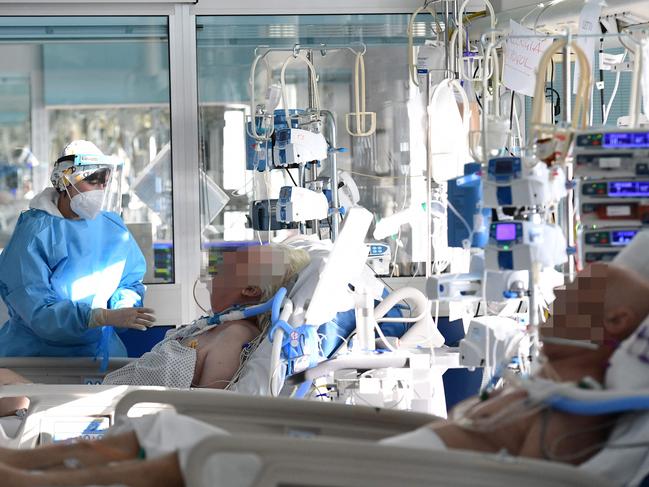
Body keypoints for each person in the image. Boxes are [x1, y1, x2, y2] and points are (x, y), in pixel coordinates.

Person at [0, 260, 648, 486]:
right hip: (403, 460)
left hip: (404, 473)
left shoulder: (579, 407)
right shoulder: (546, 384)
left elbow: (528, 465)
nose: (560, 288)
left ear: (613, 323)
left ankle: (35, 481)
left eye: (581, 287)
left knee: (207, 452)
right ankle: (29, 470)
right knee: (175, 429)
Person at [0, 140, 155, 359]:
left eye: (104, 181)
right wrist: (98, 317)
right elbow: (37, 310)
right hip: (37, 360)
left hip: (101, 355)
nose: (100, 189)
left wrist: (124, 307)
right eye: (92, 180)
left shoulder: (111, 227)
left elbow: (129, 280)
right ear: (64, 182)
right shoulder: (35, 233)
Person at [102, 243, 310, 388]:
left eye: (237, 262)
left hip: (119, 416)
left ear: (250, 289)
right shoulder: (214, 325)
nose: (222, 263)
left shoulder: (235, 335)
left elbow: (205, 409)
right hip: (109, 402)